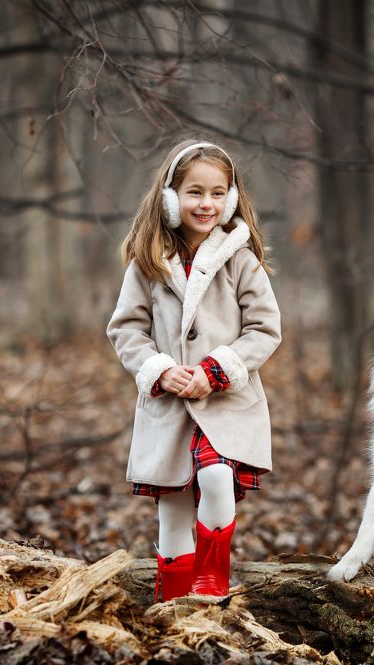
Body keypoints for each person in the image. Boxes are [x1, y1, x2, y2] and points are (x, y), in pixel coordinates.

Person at [106, 140, 281, 601]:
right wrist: (159, 370)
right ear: (170, 198)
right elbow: (126, 329)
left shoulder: (240, 259)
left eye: (218, 193)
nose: (207, 204)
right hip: (169, 406)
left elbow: (265, 329)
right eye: (195, 192)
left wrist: (217, 370)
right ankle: (174, 600)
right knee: (174, 509)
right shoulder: (148, 262)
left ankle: (211, 577)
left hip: (225, 402)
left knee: (216, 475)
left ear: (232, 199)